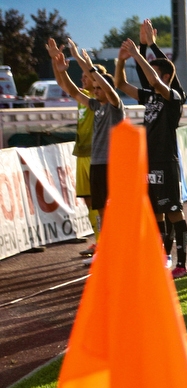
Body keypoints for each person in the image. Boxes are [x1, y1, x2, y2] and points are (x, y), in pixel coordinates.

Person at [114, 38, 187, 278]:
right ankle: (161, 257)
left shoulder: (173, 97)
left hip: (166, 162)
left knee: (174, 212)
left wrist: (138, 54)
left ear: (166, 76)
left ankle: (182, 264)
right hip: (148, 162)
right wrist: (121, 61)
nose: (150, 77)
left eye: (155, 71)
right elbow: (120, 84)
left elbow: (155, 80)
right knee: (155, 212)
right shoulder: (150, 97)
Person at [52, 40, 125, 249]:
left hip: (113, 164)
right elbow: (74, 92)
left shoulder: (114, 105)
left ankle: (122, 244)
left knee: (115, 208)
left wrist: (84, 61)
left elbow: (105, 88)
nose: (95, 91)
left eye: (98, 88)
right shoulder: (95, 105)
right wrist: (62, 70)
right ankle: (106, 246)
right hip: (97, 163)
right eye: (94, 89)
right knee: (100, 207)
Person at [47, 39, 102, 261]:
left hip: (96, 155)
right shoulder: (82, 97)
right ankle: (100, 242)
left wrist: (81, 60)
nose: (83, 79)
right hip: (81, 154)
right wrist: (54, 62)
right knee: (88, 201)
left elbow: (67, 84)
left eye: (87, 76)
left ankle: (108, 243)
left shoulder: (98, 99)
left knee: (100, 202)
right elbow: (64, 83)